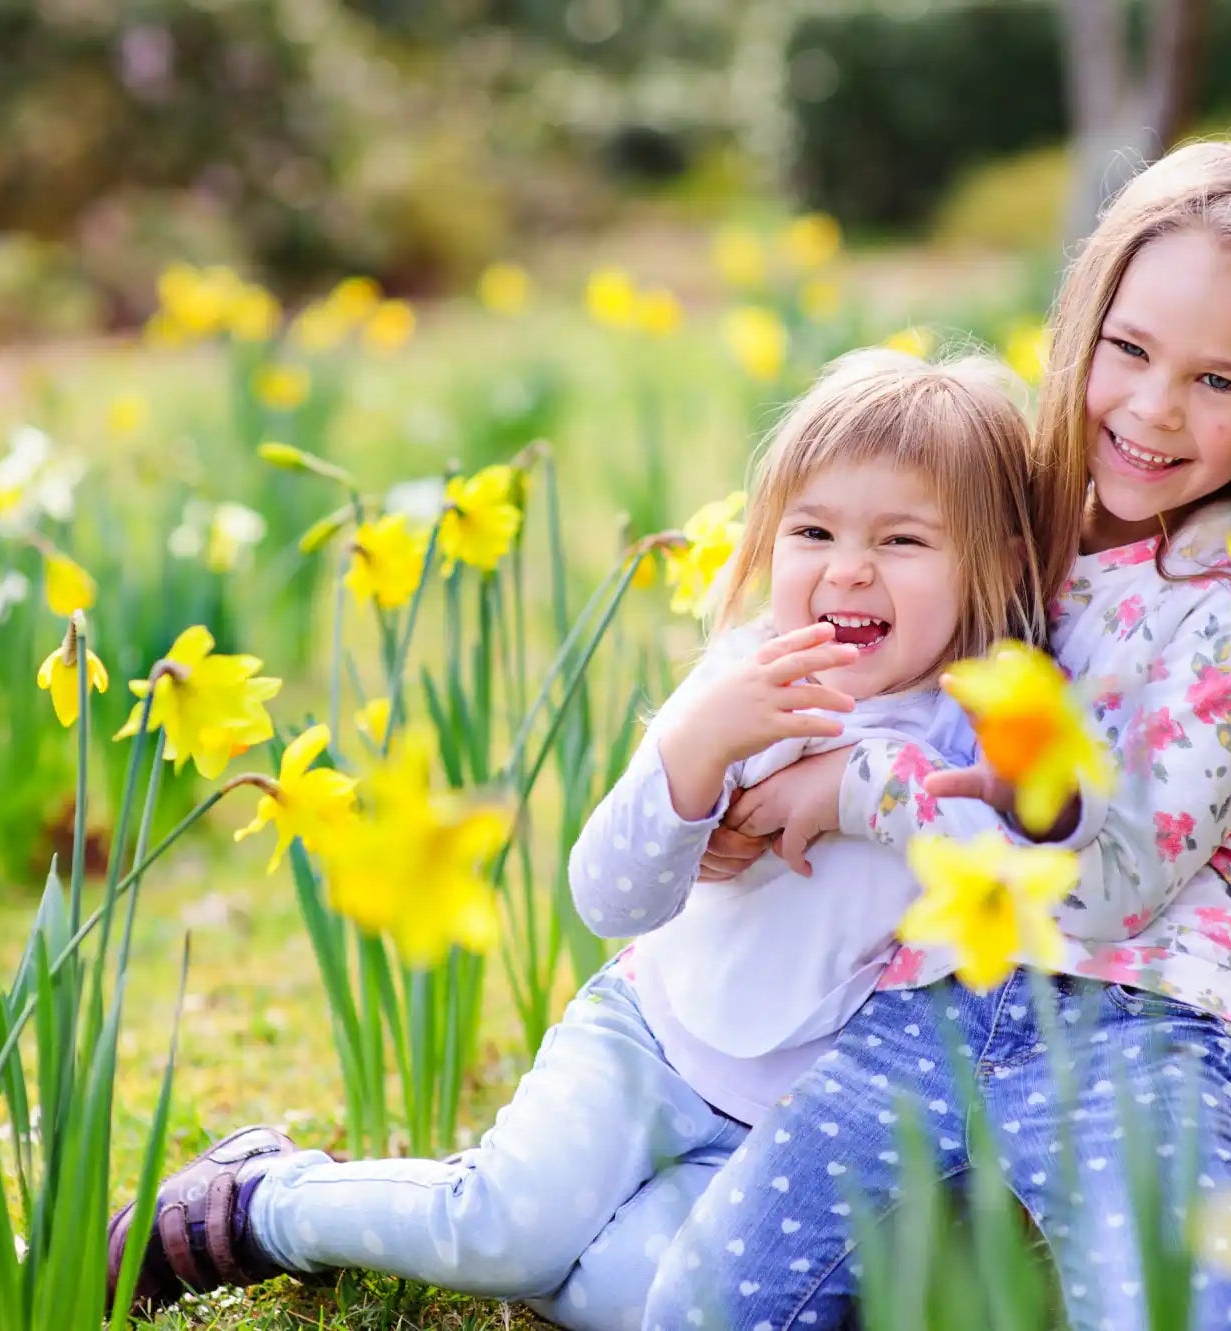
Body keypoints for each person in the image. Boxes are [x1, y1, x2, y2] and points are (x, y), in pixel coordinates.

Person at [643, 137, 1231, 1331]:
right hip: (931, 989)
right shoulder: (1019, 523)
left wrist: (851, 786)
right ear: (1083, 329)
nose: (1152, 408)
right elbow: (856, 630)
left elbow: (1109, 884)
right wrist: (727, 790)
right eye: (1128, 350)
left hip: (1151, 1024)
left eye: (1218, 382)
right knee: (701, 1308)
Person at [103, 346, 1050, 1329]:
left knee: (645, 1296)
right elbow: (607, 897)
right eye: (811, 530)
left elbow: (1017, 877)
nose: (844, 568)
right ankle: (257, 1199)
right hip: (647, 1035)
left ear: (999, 562)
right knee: (500, 1230)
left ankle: (555, 1236)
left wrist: (855, 788)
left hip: (788, 1130)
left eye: (901, 540)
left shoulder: (985, 720)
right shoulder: (746, 685)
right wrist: (687, 755)